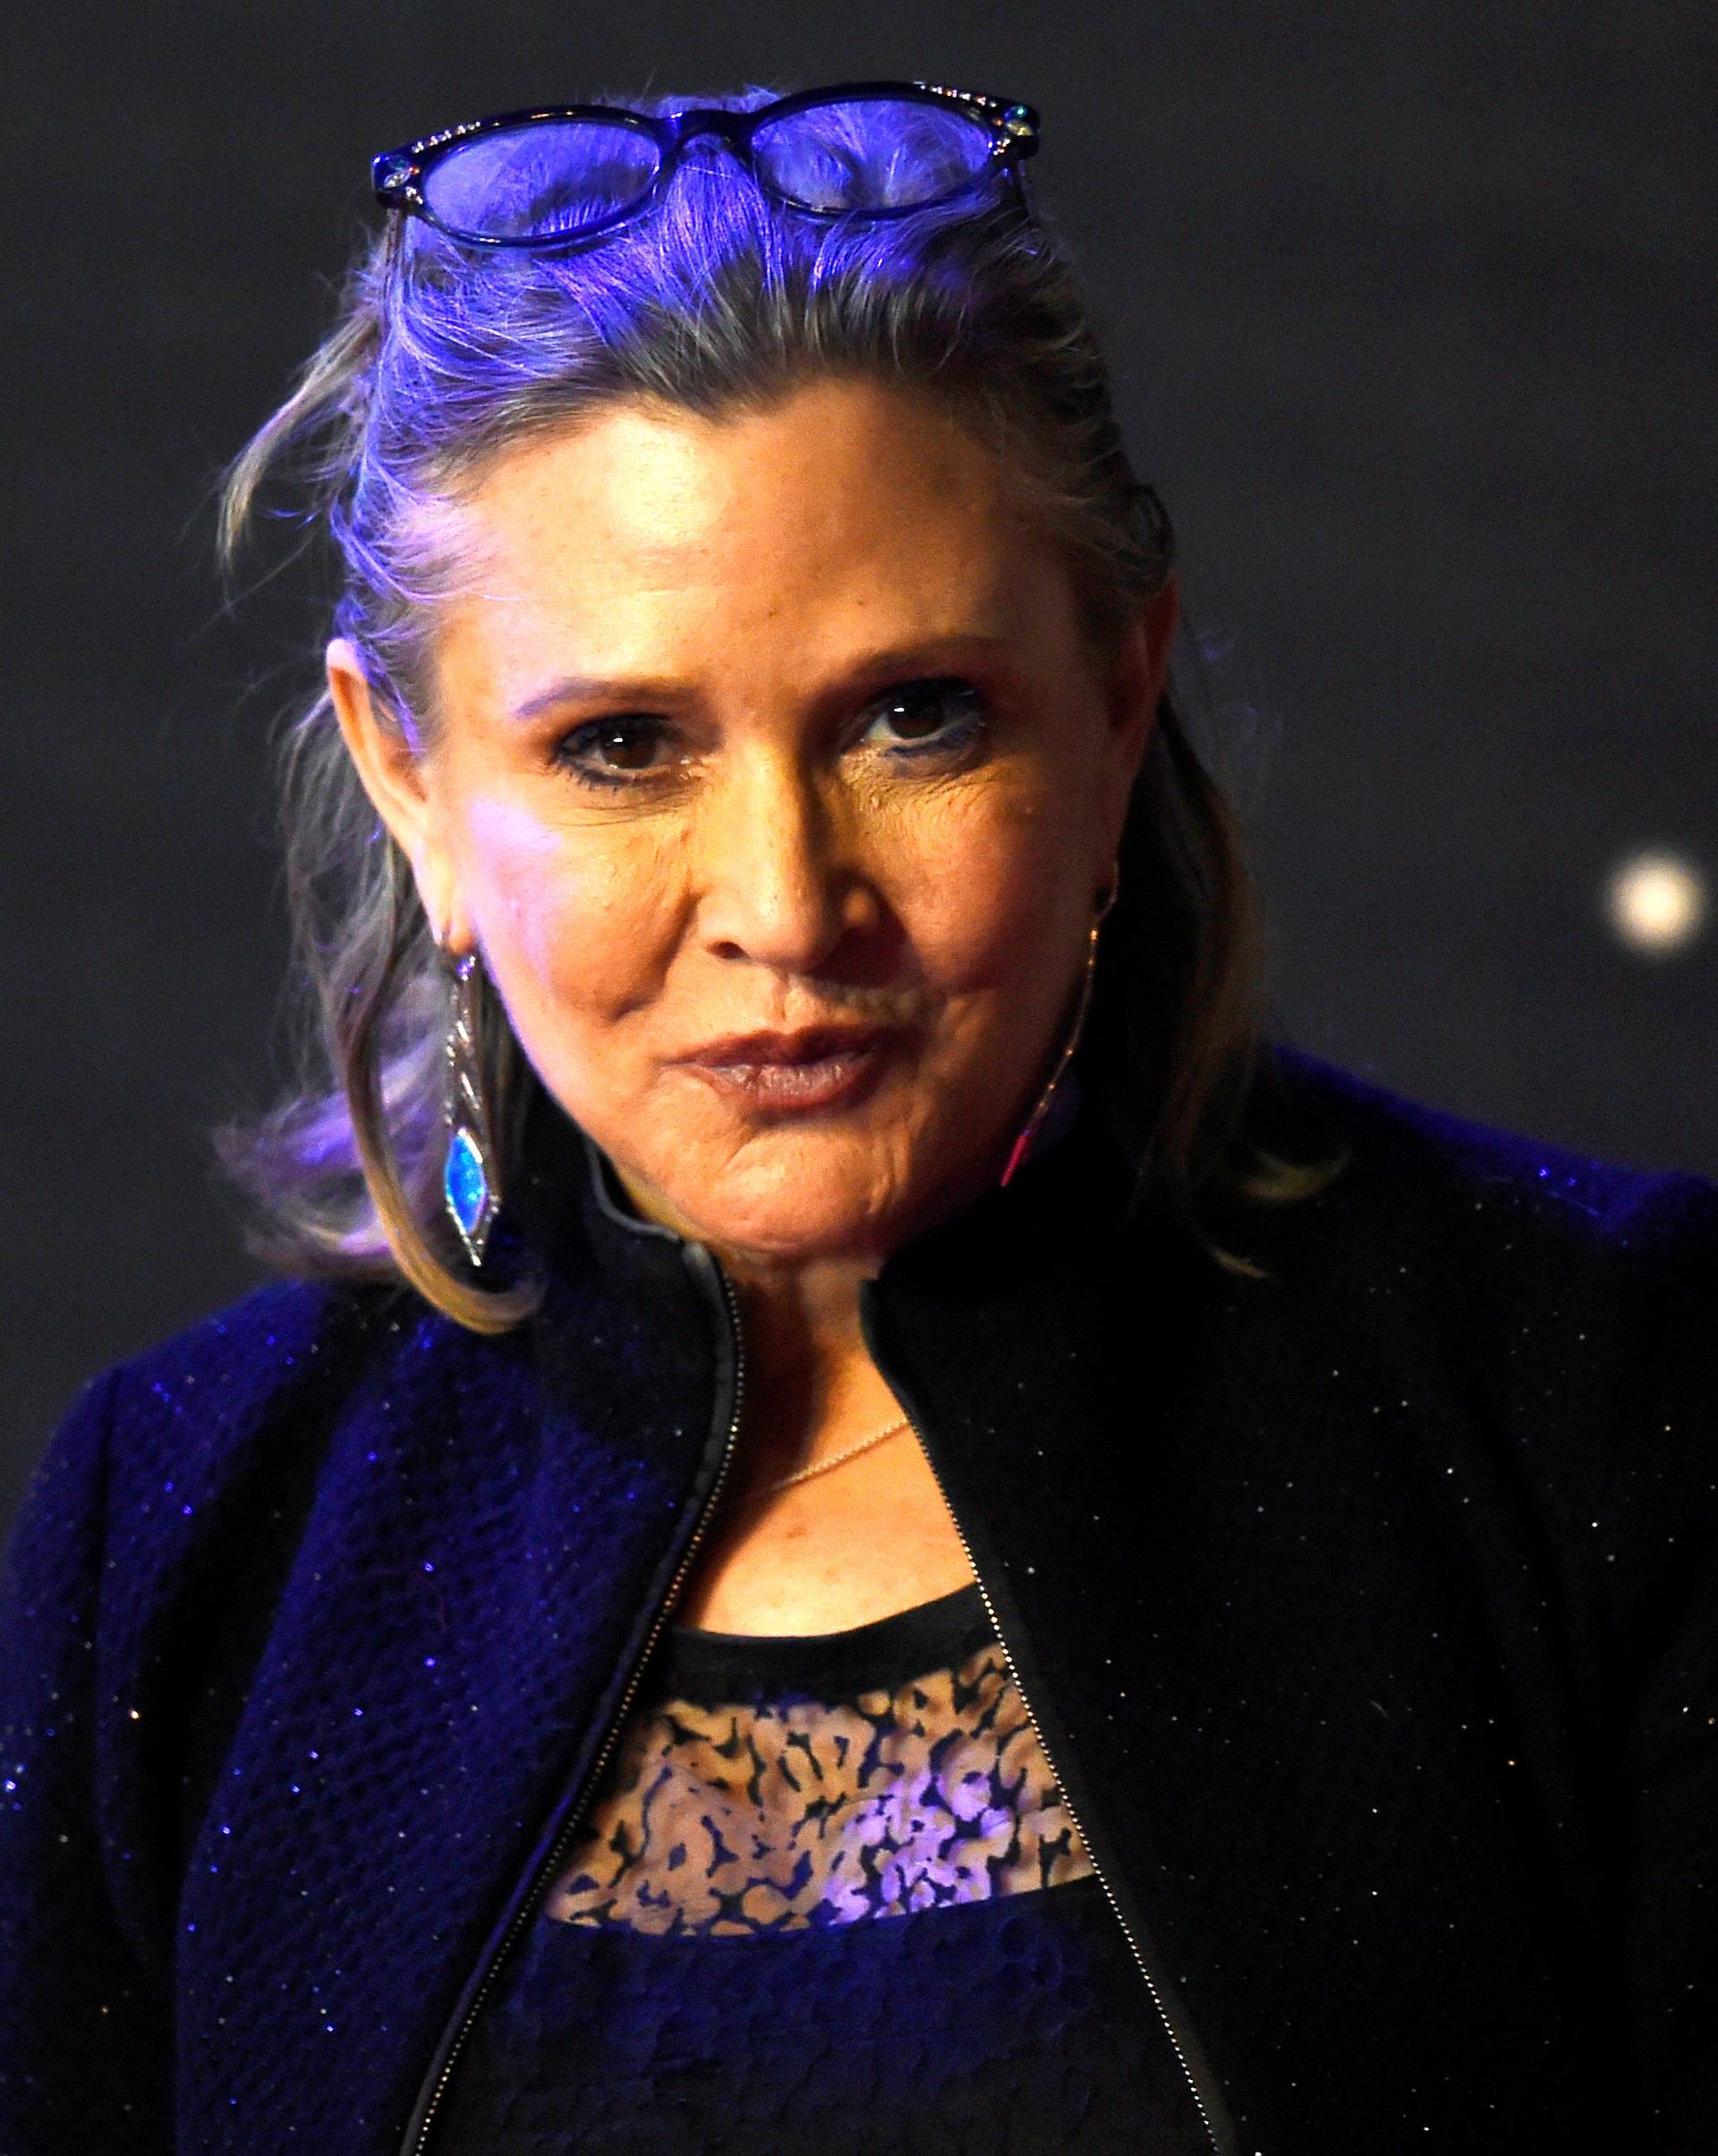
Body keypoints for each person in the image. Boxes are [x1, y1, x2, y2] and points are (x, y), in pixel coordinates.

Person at [0, 76, 1713, 2156]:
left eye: (917, 717)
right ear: (412, 783)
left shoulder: (1611, 1390)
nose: (793, 906)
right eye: (623, 745)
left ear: (1117, 699)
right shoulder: (175, 1523)